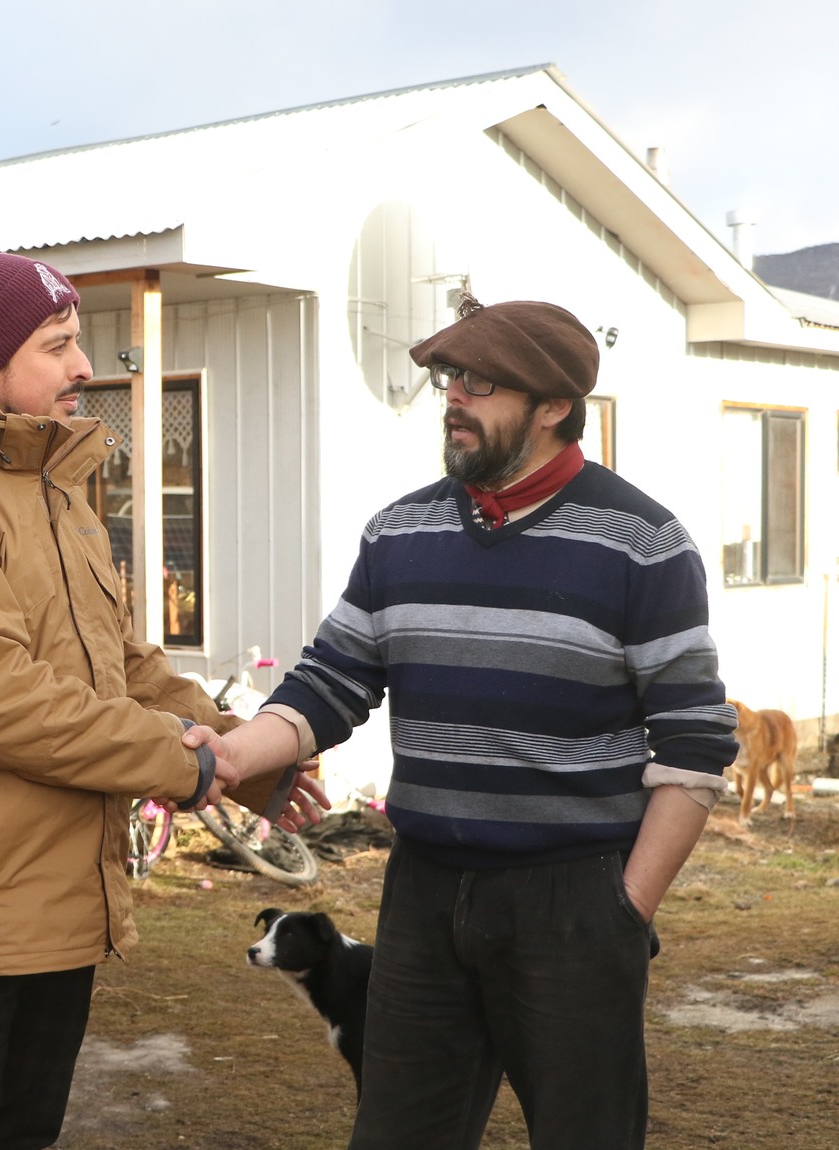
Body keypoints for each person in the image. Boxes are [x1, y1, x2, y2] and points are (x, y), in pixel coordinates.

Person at [205, 297, 738, 1149]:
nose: (455, 396)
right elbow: (329, 684)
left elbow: (697, 743)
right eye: (450, 377)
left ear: (554, 406)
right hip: (422, 892)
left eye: (482, 383)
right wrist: (228, 754)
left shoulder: (643, 543)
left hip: (573, 899)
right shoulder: (399, 531)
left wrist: (624, 910)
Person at [0, 251, 319, 1150]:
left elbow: (120, 665)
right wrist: (185, 763)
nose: (84, 367)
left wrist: (246, 757)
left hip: (55, 895)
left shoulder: (48, 486)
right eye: (58, 345)